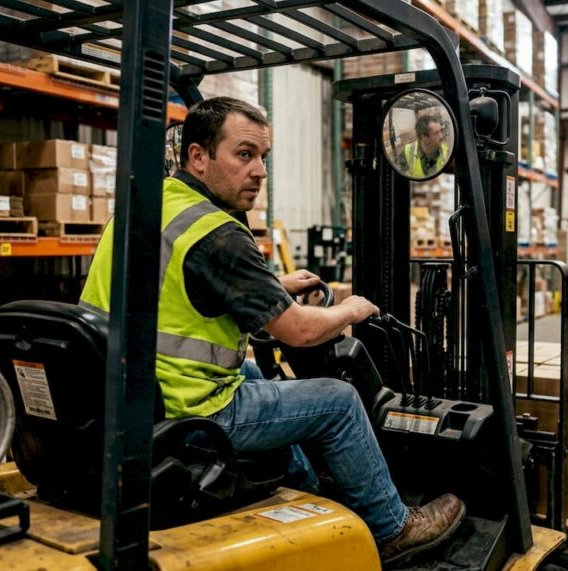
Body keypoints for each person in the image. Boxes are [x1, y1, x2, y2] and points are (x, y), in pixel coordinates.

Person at [79, 97, 464, 565]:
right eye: (244, 155)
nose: (260, 171)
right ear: (198, 157)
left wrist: (273, 287)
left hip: (132, 400)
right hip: (192, 415)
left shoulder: (146, 209)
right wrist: (350, 310)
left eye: (263, 157)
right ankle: (392, 526)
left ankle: (306, 495)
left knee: (256, 375)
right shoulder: (216, 232)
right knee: (338, 402)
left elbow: (170, 287)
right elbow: (299, 332)